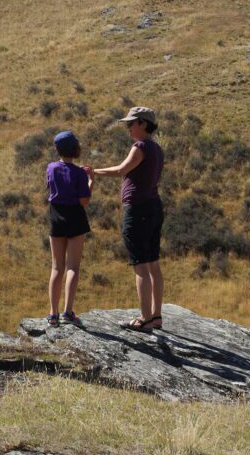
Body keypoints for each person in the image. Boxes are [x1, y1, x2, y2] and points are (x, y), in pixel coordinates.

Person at [87, 107, 164, 332]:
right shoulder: (157, 148)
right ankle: (156, 316)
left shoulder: (139, 147)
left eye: (131, 123)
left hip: (137, 209)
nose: (128, 127)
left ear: (142, 123)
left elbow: (121, 170)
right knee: (153, 263)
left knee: (140, 264)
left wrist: (94, 172)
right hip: (153, 207)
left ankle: (145, 318)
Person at [45, 131, 93, 328]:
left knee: (57, 267)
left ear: (57, 149)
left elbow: (50, 187)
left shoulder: (51, 168)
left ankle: (52, 314)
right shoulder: (80, 174)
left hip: (56, 216)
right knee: (73, 266)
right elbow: (84, 200)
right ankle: (68, 311)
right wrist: (90, 180)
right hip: (75, 217)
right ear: (76, 149)